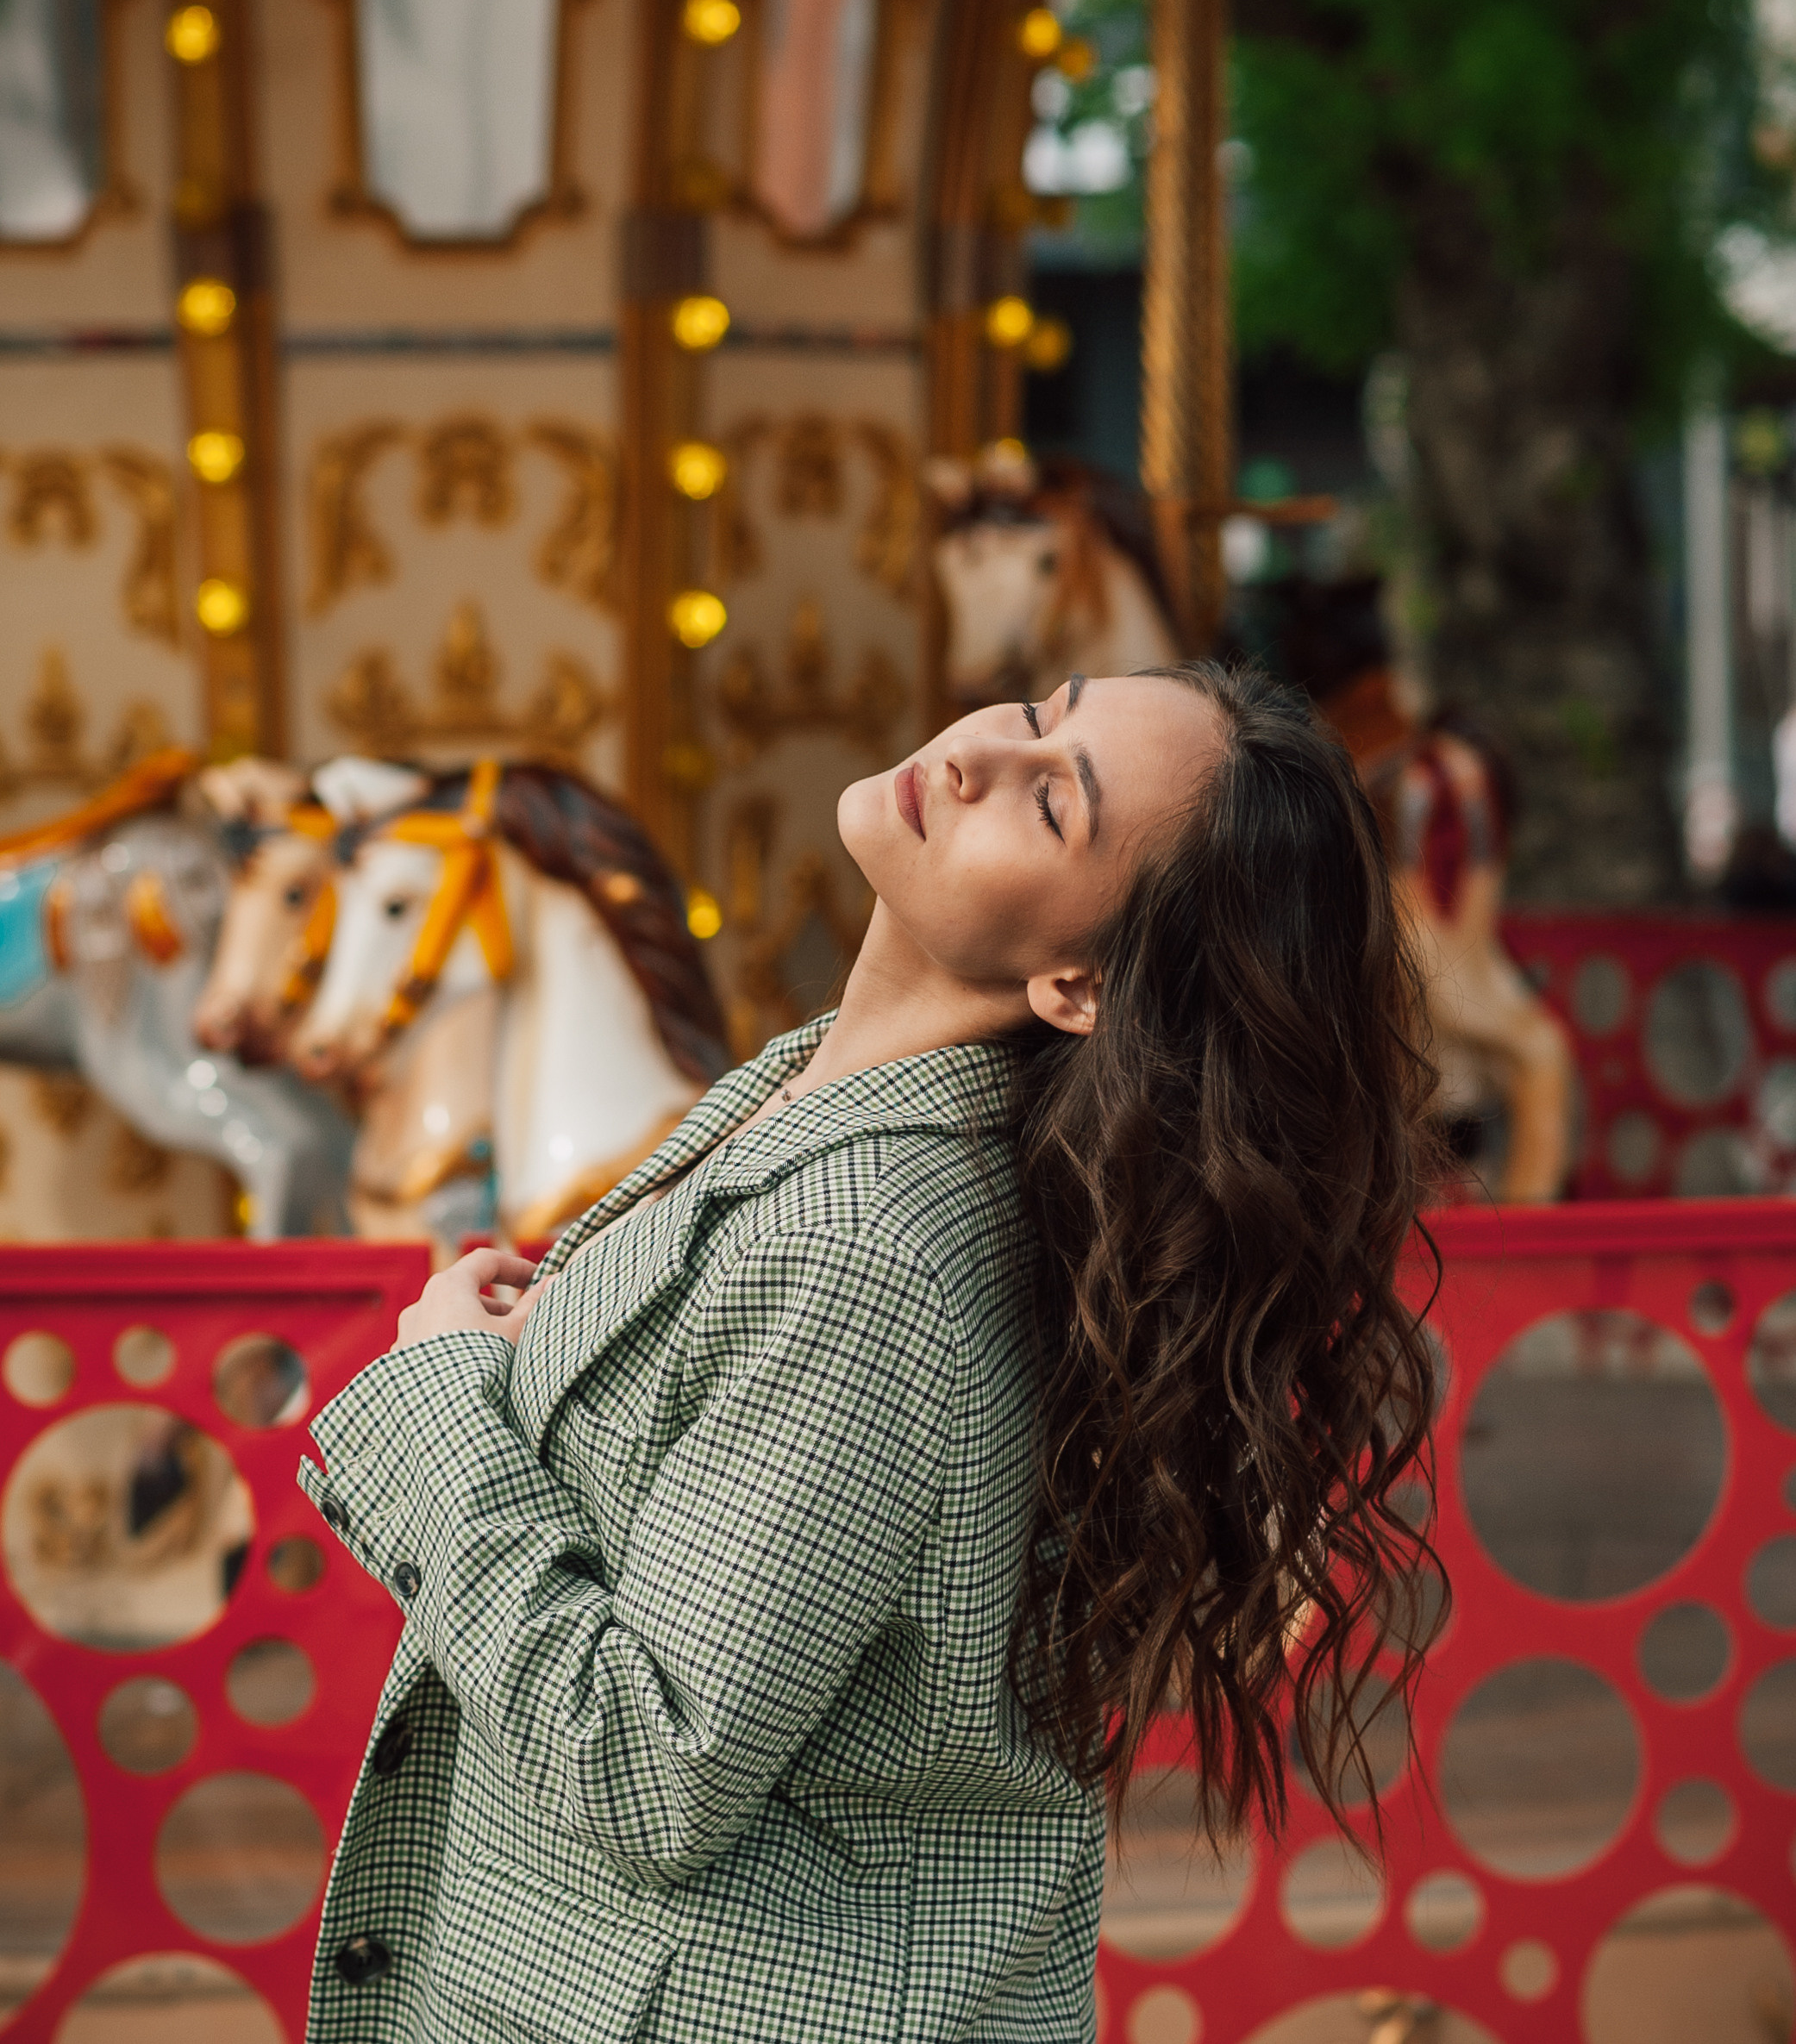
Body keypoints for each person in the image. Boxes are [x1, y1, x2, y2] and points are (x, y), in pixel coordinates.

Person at [297, 661, 1444, 2044]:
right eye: (1036, 715)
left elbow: (649, 1766)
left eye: (1051, 804)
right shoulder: (800, 1085)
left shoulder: (868, 1249)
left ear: (1077, 981)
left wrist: (438, 1403)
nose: (973, 759)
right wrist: (544, 1367)